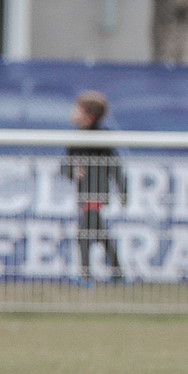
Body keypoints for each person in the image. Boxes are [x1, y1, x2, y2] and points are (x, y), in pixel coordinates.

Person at [63, 90, 124, 285]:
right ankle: (118, 273)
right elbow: (65, 167)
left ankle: (85, 276)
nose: (72, 113)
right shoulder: (75, 139)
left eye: (76, 110)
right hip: (83, 194)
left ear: (89, 116)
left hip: (97, 193)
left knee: (84, 233)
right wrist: (73, 172)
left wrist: (122, 190)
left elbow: (114, 165)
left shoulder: (101, 137)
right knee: (99, 233)